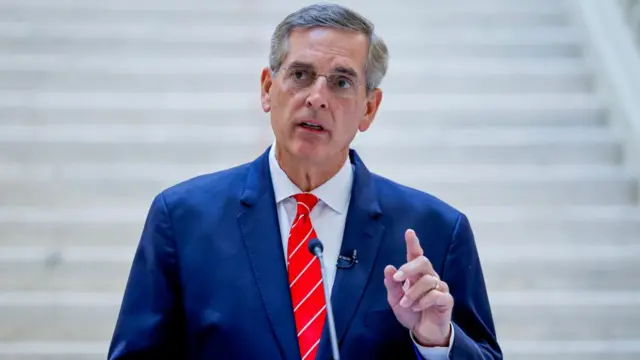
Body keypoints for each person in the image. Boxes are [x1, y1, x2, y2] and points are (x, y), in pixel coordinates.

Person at [108, 3, 501, 359]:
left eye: (342, 82)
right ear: (267, 89)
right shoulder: (182, 219)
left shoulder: (436, 232)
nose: (317, 97)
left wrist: (437, 342)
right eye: (300, 75)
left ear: (369, 108)